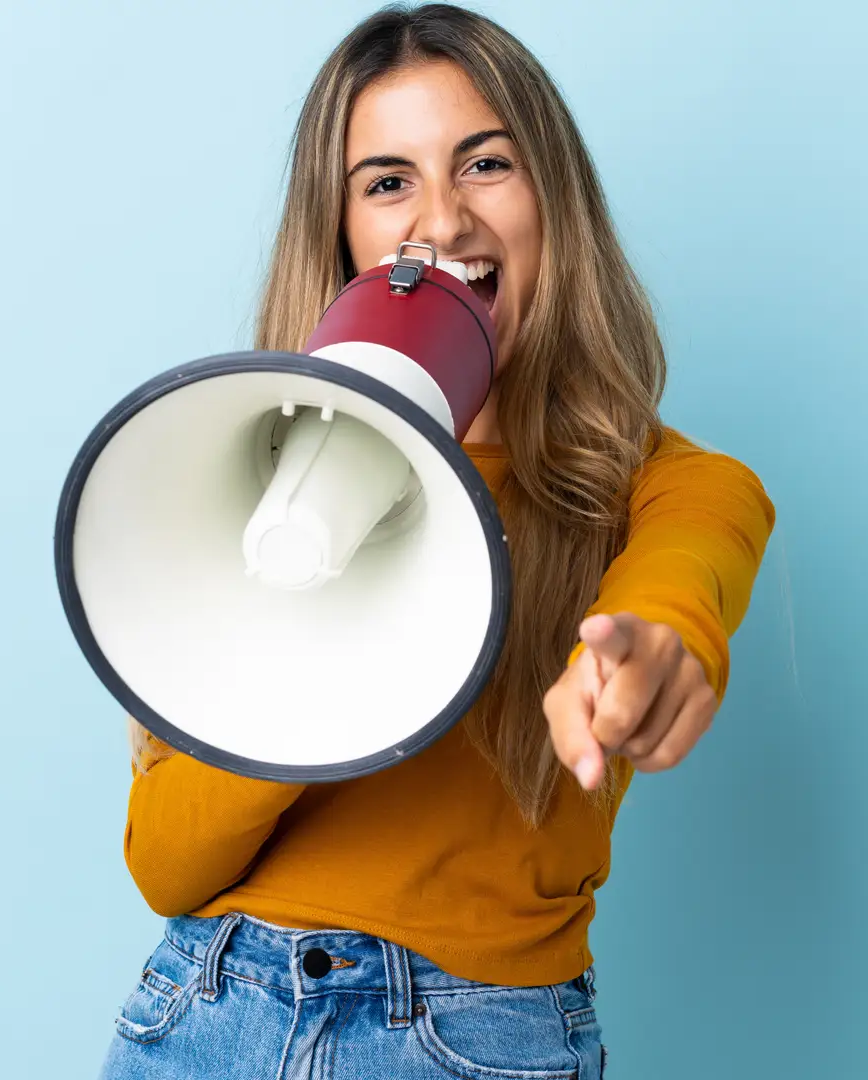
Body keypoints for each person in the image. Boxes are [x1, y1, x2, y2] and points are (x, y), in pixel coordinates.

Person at [98, 5, 775, 1077]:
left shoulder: (672, 488)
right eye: (387, 181)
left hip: (471, 1040)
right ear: (344, 232)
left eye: (487, 164)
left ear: (555, 200)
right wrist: (318, 585)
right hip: (210, 1011)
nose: (442, 220)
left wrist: (646, 653)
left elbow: (680, 585)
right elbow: (168, 864)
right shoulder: (234, 466)